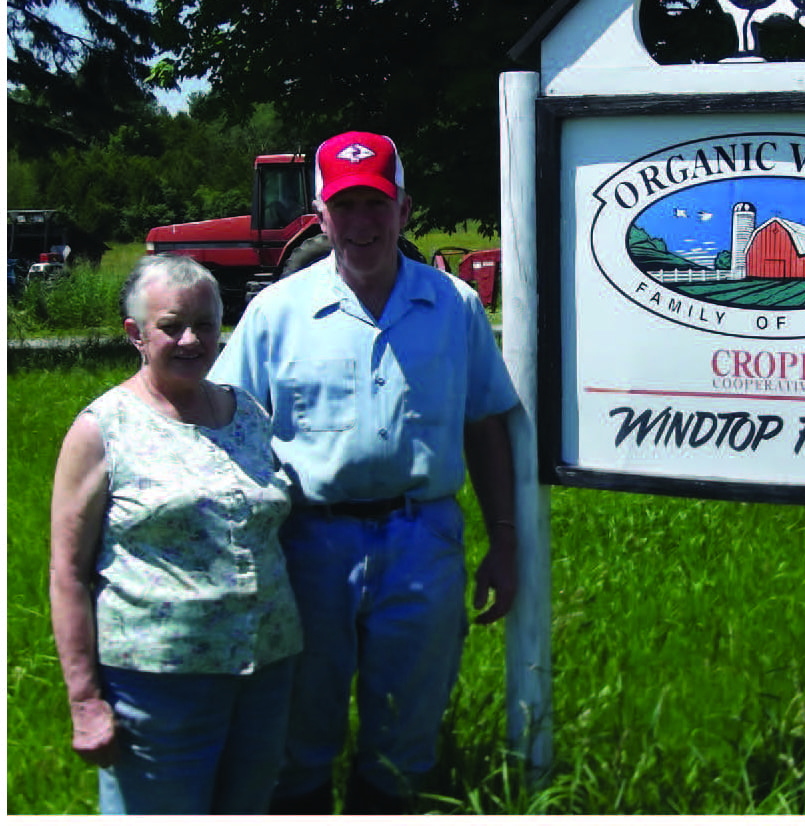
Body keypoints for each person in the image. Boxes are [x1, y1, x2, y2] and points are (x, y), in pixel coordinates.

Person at [210, 130, 521, 814]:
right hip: (306, 544)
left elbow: (485, 422)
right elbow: (228, 436)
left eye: (376, 204)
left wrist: (504, 540)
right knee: (299, 730)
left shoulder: (453, 306)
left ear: (405, 210)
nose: (361, 224)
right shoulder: (274, 314)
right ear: (319, 215)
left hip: (422, 539)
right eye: (344, 206)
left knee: (406, 734)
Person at [49, 254, 302, 814]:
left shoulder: (248, 414)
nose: (191, 339)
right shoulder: (102, 429)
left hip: (265, 671)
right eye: (171, 326)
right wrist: (85, 699)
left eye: (205, 325)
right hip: (159, 684)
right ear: (135, 334)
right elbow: (67, 573)